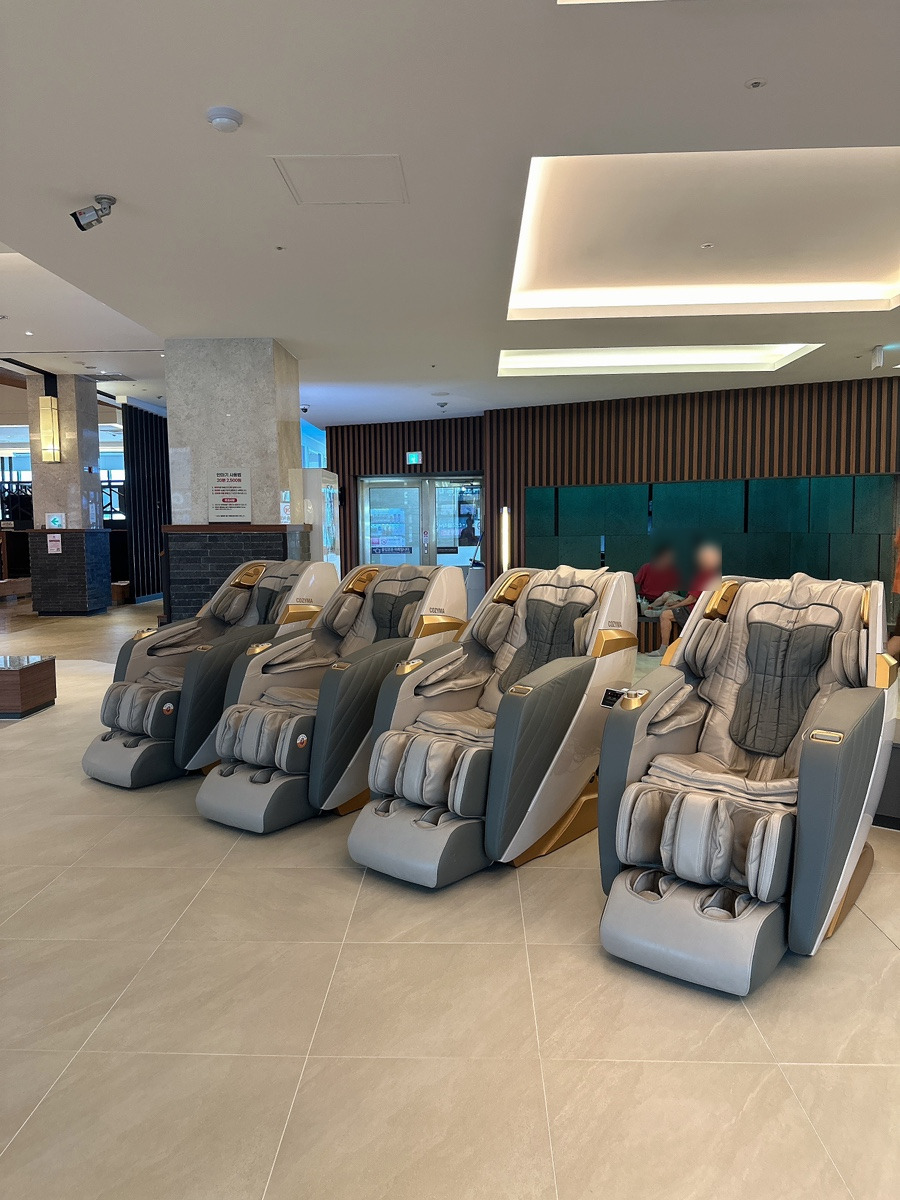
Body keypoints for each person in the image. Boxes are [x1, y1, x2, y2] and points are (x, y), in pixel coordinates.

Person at [649, 541, 722, 658]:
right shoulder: (711, 574)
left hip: (695, 611)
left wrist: (675, 606)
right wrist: (678, 603)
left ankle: (663, 648)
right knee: (671, 599)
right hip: (696, 607)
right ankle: (658, 609)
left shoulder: (705, 575)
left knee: (665, 615)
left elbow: (691, 600)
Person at [634, 546, 681, 617]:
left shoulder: (674, 571)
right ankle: (649, 608)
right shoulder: (646, 567)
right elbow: (635, 583)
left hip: (662, 601)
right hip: (644, 600)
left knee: (668, 596)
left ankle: (651, 608)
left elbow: (675, 590)